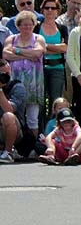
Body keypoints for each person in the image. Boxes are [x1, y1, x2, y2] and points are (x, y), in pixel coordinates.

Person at [4, 10, 46, 138]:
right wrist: (27, 55)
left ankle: (32, 147)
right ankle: (15, 147)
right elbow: (5, 54)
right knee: (16, 115)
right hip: (15, 82)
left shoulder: (39, 38)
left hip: (34, 83)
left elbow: (38, 53)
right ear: (18, 26)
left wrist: (16, 51)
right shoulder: (11, 38)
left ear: (34, 25)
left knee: (33, 118)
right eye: (23, 24)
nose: (27, 27)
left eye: (30, 24)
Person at [0, 58, 34, 161]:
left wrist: (0, 91)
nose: (4, 76)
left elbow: (9, 109)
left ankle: (8, 152)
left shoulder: (18, 87)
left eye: (6, 73)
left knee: (8, 116)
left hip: (15, 131)